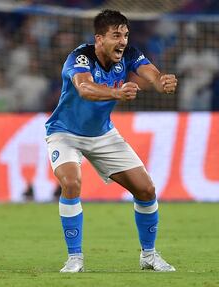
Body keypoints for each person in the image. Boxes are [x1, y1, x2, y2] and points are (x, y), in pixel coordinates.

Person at [45, 9, 177, 273]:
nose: (123, 42)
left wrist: (161, 81)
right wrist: (117, 92)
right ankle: (74, 259)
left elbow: (149, 71)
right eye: (116, 35)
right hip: (65, 133)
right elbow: (84, 88)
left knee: (146, 190)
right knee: (71, 183)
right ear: (99, 39)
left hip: (103, 135)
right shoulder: (79, 58)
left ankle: (149, 255)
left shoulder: (128, 54)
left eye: (125, 35)